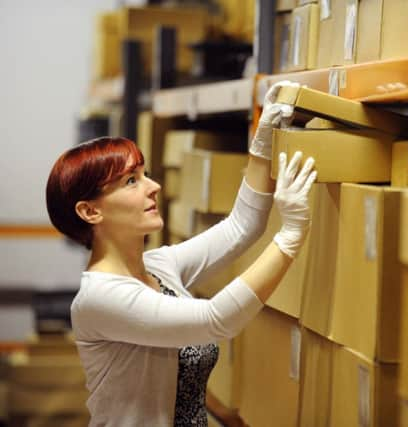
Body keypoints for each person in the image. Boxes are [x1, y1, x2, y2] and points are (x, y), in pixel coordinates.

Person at [45, 82, 316, 427]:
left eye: (144, 174)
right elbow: (217, 319)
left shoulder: (159, 267)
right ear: (90, 211)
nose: (153, 185)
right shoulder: (99, 299)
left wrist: (263, 142)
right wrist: (290, 236)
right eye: (131, 181)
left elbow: (240, 227)